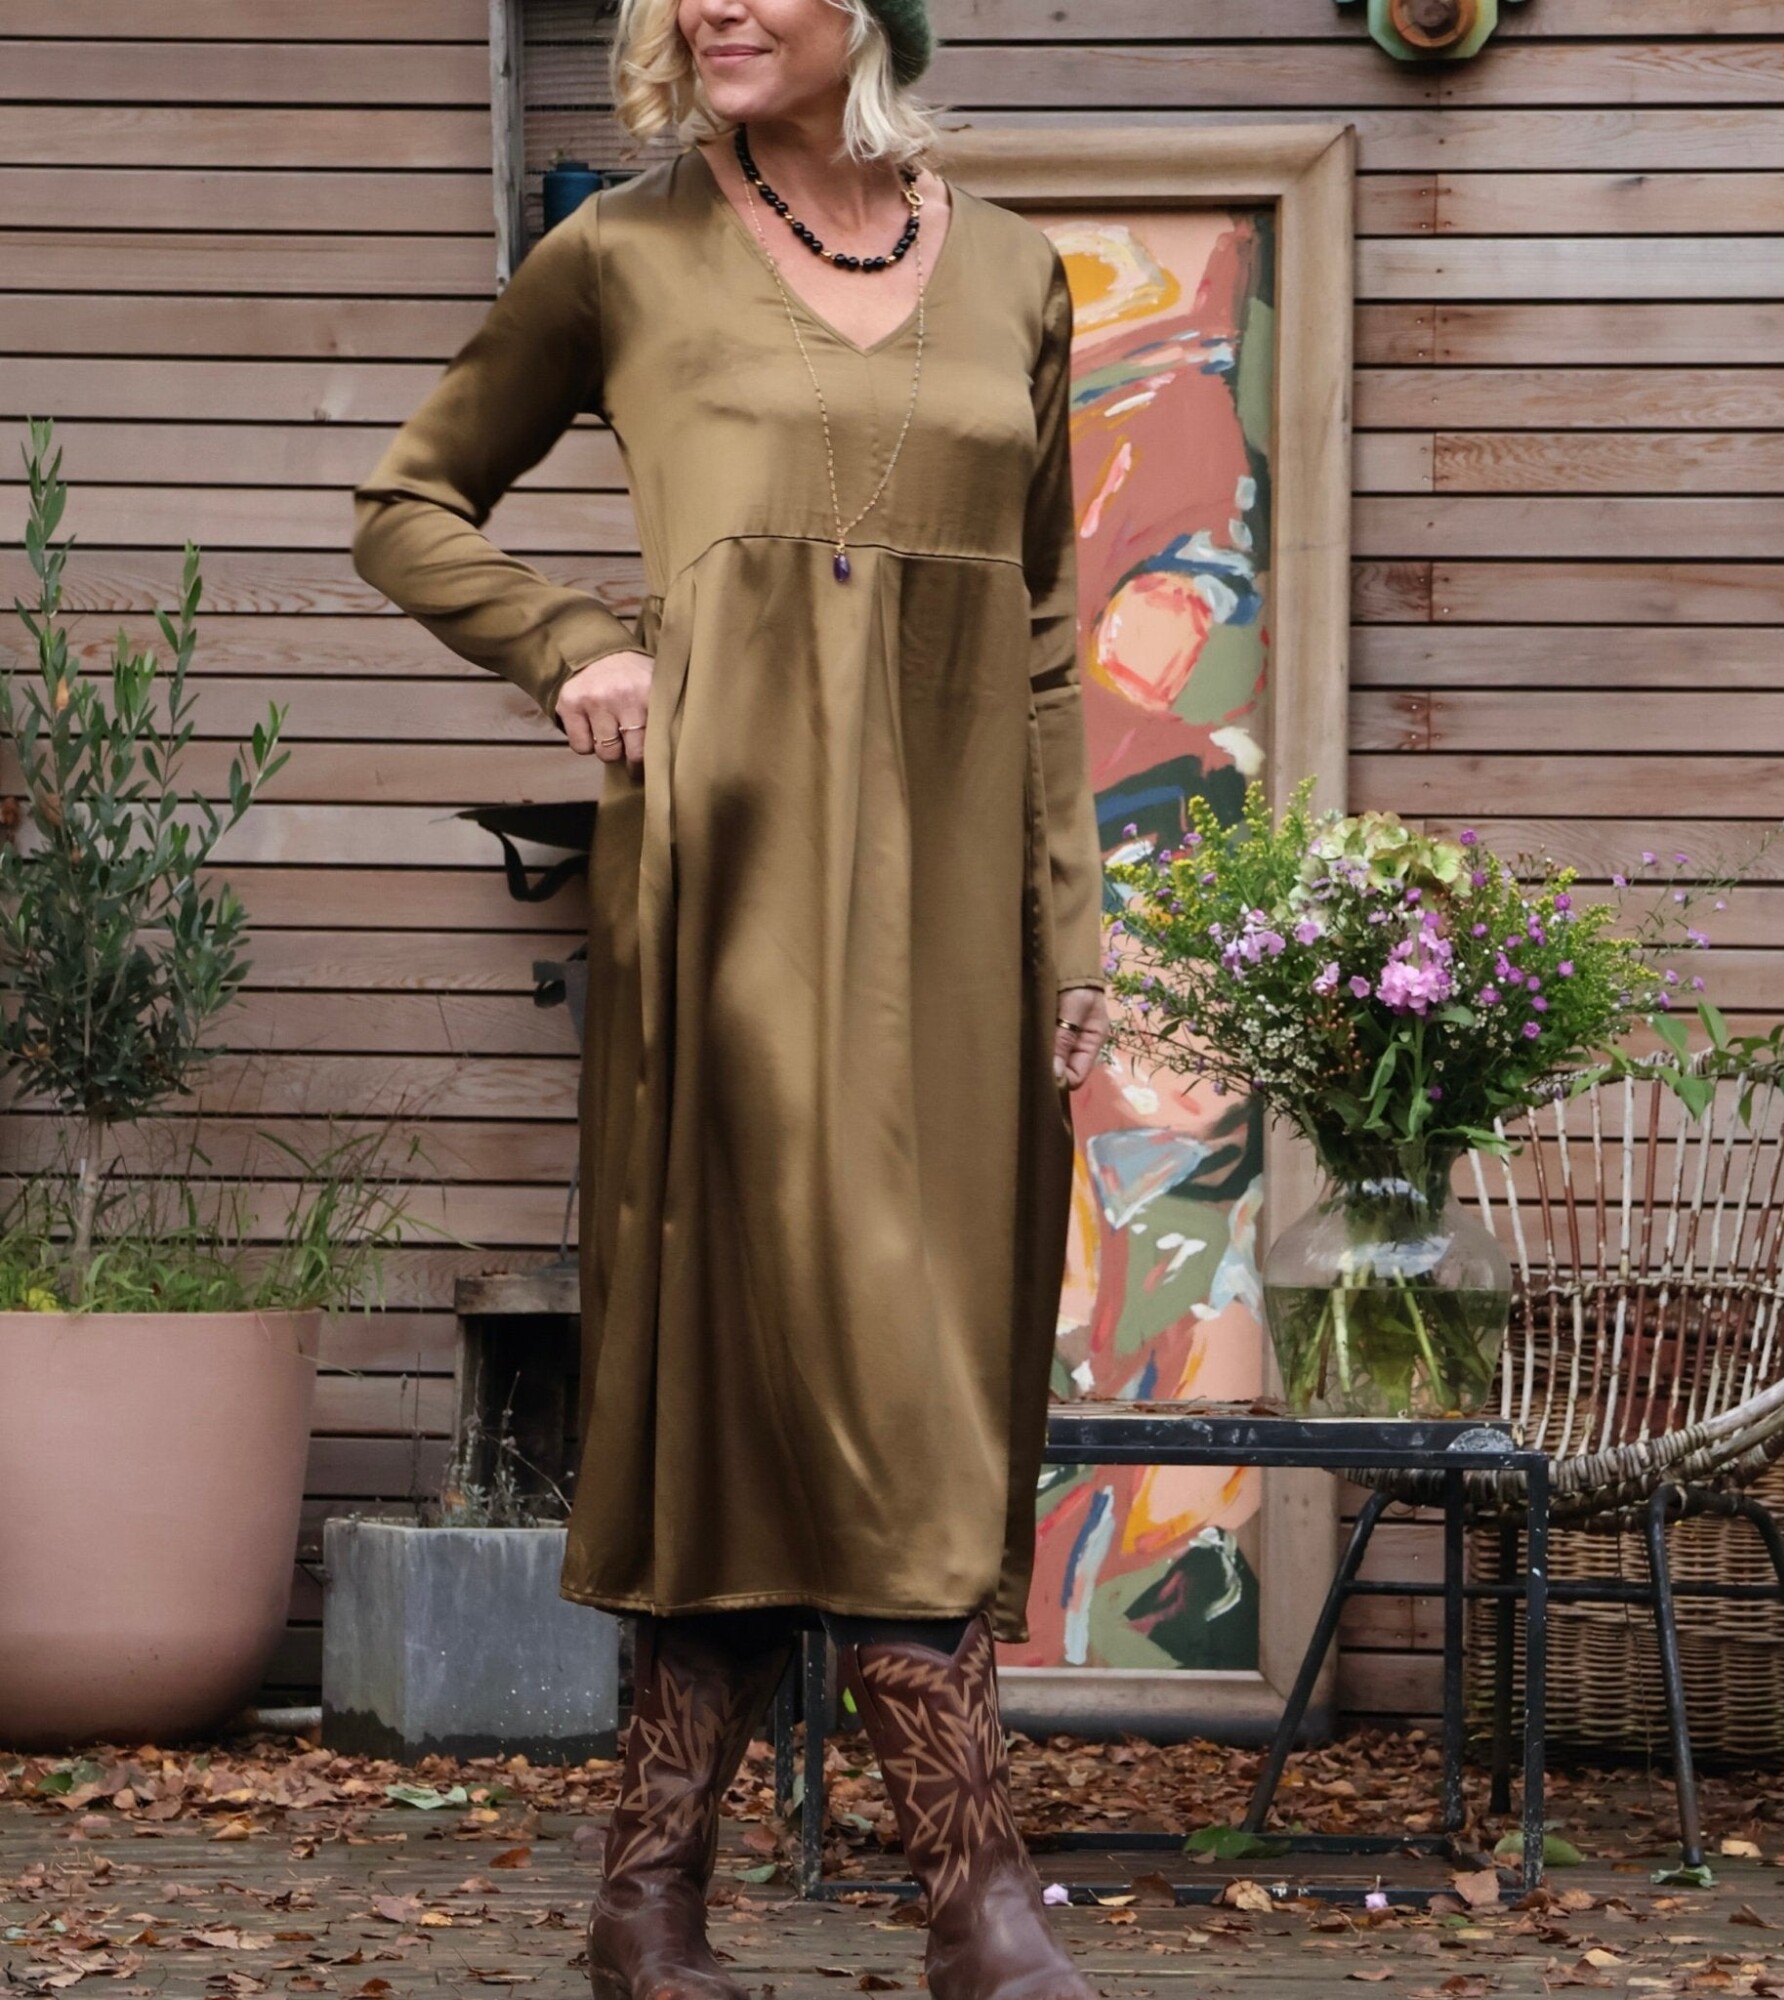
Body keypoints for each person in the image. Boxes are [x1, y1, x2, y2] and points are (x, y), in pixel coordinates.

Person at [349, 0, 1109, 1992]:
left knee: (782, 1368)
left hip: (962, 901)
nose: (714, 3)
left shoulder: (1018, 273)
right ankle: (978, 1892)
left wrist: (1076, 929)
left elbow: (1045, 631)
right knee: (864, 1332)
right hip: (734, 883)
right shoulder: (618, 250)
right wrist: (571, 641)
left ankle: (649, 1894)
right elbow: (409, 502)